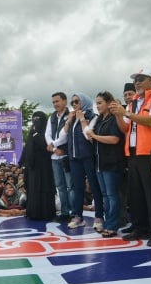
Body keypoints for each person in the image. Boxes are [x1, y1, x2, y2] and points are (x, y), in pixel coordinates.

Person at [111, 69, 151, 246]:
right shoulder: (133, 103)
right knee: (136, 195)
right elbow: (125, 129)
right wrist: (119, 114)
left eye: (141, 79)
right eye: (135, 80)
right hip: (133, 153)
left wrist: (126, 113)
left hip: (150, 152)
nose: (137, 83)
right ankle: (139, 227)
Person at [85, 92, 125, 237]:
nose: (98, 105)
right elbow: (94, 138)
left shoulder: (114, 118)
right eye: (97, 103)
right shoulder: (100, 120)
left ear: (109, 103)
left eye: (100, 102)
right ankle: (108, 223)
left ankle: (113, 225)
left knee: (112, 195)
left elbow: (114, 139)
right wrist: (92, 137)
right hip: (99, 164)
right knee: (105, 195)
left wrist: (95, 136)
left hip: (111, 163)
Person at [62, 93, 104, 230]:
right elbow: (63, 136)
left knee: (94, 187)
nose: (74, 104)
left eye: (76, 101)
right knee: (77, 188)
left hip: (88, 157)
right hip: (74, 158)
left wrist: (81, 119)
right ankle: (78, 216)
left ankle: (99, 217)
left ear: (84, 102)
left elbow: (88, 135)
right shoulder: (72, 118)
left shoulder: (93, 116)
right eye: (72, 102)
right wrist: (69, 120)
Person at [23, 111, 56, 220]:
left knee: (45, 188)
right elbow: (26, 149)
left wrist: (36, 134)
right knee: (33, 189)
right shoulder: (31, 133)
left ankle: (46, 213)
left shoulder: (47, 132)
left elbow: (45, 145)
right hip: (32, 167)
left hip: (45, 166)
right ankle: (34, 212)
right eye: (34, 118)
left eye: (38, 119)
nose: (35, 121)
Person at [45, 92, 73, 220]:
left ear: (65, 101)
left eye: (57, 101)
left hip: (66, 156)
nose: (55, 104)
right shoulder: (51, 117)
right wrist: (54, 148)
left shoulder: (71, 115)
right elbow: (47, 134)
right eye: (53, 102)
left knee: (70, 186)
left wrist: (53, 145)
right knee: (60, 187)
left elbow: (65, 136)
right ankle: (64, 212)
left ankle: (74, 212)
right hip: (54, 157)